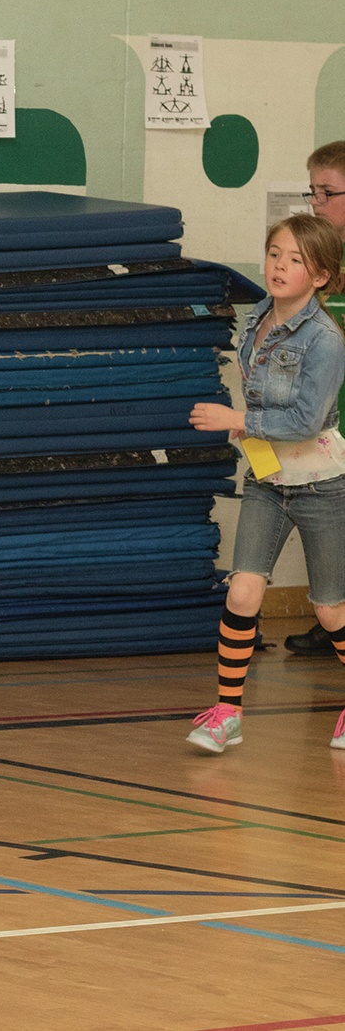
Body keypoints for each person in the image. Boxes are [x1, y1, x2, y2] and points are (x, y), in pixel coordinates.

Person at [186, 215, 345, 753]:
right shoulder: (255, 319)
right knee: (244, 589)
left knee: (331, 609)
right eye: (275, 253)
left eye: (296, 259)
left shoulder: (326, 340)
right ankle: (227, 712)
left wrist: (236, 421)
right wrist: (249, 437)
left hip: (322, 485)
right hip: (266, 478)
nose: (279, 266)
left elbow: (303, 422)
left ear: (321, 276)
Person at [285, 140, 345, 657]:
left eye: (327, 192)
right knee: (327, 517)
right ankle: (333, 616)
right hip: (328, 414)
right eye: (313, 192)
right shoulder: (321, 256)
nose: (316, 203)